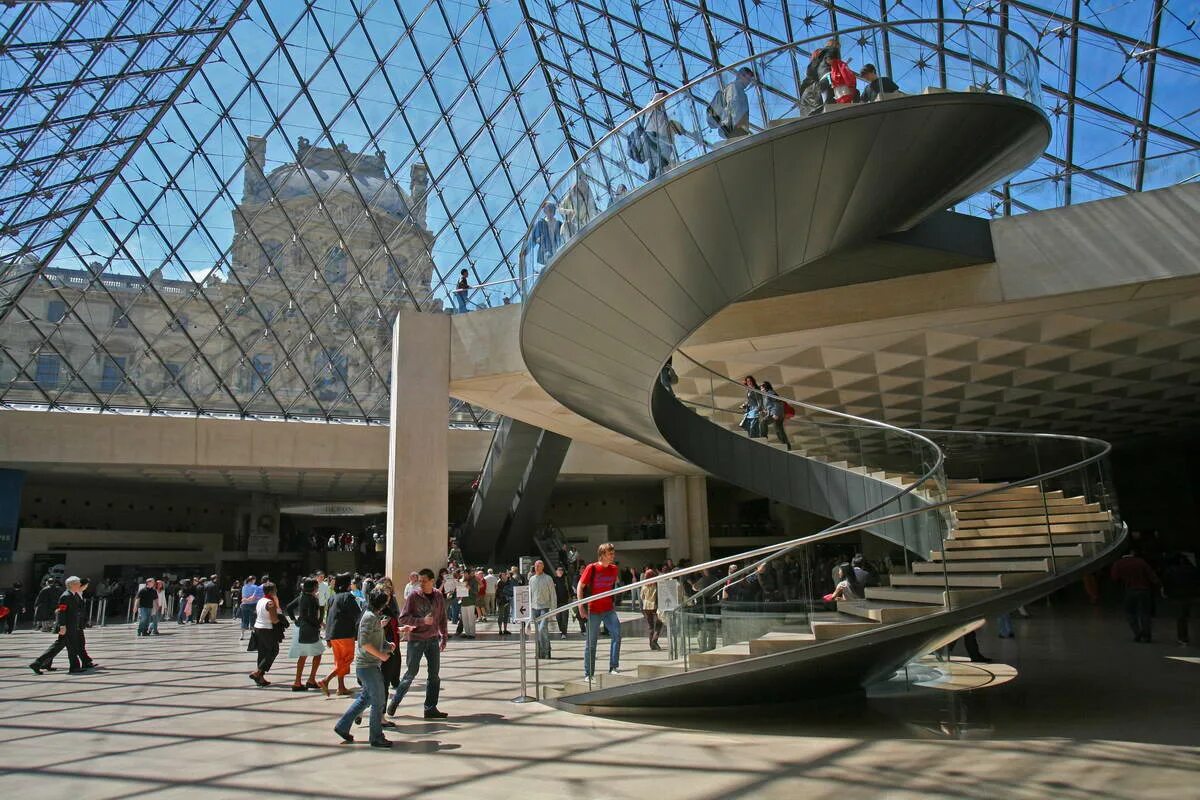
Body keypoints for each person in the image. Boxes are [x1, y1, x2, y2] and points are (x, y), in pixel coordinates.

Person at [334, 589, 402, 748]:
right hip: (368, 666)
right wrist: (381, 655)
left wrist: (387, 646)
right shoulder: (369, 617)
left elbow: (375, 639)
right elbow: (364, 643)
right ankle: (376, 736)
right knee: (378, 701)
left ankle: (343, 726)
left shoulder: (374, 617)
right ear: (383, 603)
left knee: (366, 698)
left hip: (370, 665)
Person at [387, 568, 449, 719]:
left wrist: (444, 636)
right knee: (410, 674)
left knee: (434, 676)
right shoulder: (414, 596)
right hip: (416, 641)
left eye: (424, 581)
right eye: (419, 581)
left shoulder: (439, 596)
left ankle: (430, 708)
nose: (420, 584)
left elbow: (442, 617)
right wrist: (421, 621)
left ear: (432, 581)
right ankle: (394, 702)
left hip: (433, 640)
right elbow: (403, 618)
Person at [578, 542, 622, 679]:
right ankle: (588, 674)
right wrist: (580, 606)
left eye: (613, 553)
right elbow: (580, 586)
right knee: (591, 643)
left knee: (617, 635)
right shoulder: (592, 568)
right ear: (602, 555)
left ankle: (613, 666)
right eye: (610, 554)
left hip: (608, 609)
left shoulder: (614, 569)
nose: (612, 556)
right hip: (594, 610)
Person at [30, 576, 84, 675]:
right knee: (69, 646)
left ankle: (39, 663)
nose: (80, 585)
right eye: (78, 583)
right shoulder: (65, 596)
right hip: (67, 626)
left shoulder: (73, 595)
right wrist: (62, 626)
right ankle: (74, 667)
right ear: (71, 585)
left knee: (61, 646)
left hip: (71, 625)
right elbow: (61, 612)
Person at [318, 572, 361, 697]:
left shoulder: (333, 597)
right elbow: (358, 615)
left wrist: (328, 636)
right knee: (348, 659)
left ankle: (341, 687)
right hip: (346, 633)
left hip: (333, 634)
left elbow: (330, 617)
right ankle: (326, 680)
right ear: (347, 584)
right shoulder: (348, 597)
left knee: (339, 660)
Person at [1111, 546, 1163, 642]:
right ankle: (1147, 635)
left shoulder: (1118, 563)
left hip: (1130, 590)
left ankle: (1137, 632)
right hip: (1144, 590)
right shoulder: (1140, 561)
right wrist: (1160, 585)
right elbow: (1151, 575)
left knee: (1130, 613)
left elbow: (1114, 577)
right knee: (1145, 613)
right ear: (1132, 552)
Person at [286, 578, 324, 691]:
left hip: (301, 629)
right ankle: (311, 679)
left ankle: (298, 681)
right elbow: (312, 616)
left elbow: (289, 607)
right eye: (317, 586)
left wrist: (295, 620)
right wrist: (319, 622)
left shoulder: (301, 597)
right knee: (318, 654)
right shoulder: (312, 599)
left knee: (303, 655)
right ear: (313, 588)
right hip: (310, 630)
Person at [640, 90, 686, 179]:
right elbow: (657, 97)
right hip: (656, 142)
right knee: (659, 163)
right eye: (665, 99)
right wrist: (663, 95)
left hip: (656, 143)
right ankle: (655, 179)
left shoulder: (659, 112)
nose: (666, 102)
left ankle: (653, 180)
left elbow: (665, 126)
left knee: (656, 165)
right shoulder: (652, 106)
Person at [706, 66, 757, 138]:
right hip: (733, 128)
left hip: (736, 129)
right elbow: (733, 105)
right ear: (740, 75)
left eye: (750, 80)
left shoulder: (741, 92)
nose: (748, 82)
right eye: (747, 78)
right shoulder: (733, 87)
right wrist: (735, 127)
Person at [248, 581, 282, 686]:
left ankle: (260, 678)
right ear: (273, 591)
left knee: (262, 653)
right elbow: (274, 619)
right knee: (273, 650)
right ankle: (258, 672)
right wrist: (282, 621)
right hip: (267, 629)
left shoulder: (260, 600)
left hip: (258, 628)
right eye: (275, 590)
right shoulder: (270, 603)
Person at [1162, 552, 1199, 645]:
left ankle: (1183, 638)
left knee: (1181, 618)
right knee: (1195, 617)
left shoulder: (1170, 570)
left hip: (1178, 597)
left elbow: (1167, 583)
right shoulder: (1193, 570)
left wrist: (1166, 593)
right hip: (1193, 595)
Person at [528, 560, 556, 659]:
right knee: (538, 631)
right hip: (534, 608)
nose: (537, 568)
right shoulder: (531, 579)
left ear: (543, 567)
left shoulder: (548, 578)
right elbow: (530, 594)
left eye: (539, 566)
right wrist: (529, 610)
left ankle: (546, 651)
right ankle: (540, 652)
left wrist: (553, 609)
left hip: (545, 607)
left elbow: (553, 594)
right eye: (535, 566)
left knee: (542, 629)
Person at [559, 168, 598, 238]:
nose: (583, 184)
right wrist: (568, 211)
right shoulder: (570, 196)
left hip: (586, 222)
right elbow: (560, 209)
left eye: (584, 182)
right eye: (580, 182)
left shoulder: (587, 193)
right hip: (576, 224)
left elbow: (592, 209)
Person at [529, 201, 563, 267]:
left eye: (551, 210)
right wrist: (526, 251)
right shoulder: (540, 223)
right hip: (546, 253)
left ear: (554, 212)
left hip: (558, 251)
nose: (550, 213)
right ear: (545, 212)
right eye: (548, 210)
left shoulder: (559, 224)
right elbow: (533, 239)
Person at [760, 381, 790, 450]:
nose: (761, 390)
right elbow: (770, 405)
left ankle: (763, 438)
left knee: (764, 422)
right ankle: (787, 446)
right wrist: (765, 411)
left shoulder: (771, 393)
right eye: (761, 388)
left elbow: (778, 403)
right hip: (773, 413)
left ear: (766, 387)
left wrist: (776, 414)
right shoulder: (766, 395)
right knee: (779, 430)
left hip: (776, 414)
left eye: (762, 388)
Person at [640, 567, 663, 650]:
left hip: (646, 606)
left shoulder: (643, 585)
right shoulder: (656, 584)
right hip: (654, 606)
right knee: (659, 623)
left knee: (650, 626)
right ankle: (654, 640)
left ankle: (651, 644)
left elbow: (641, 596)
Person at [239, 575, 263, 640]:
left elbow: (243, 597)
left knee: (244, 620)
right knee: (253, 620)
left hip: (244, 605)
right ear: (253, 580)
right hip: (253, 605)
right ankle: (253, 635)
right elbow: (255, 597)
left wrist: (245, 600)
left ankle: (242, 635)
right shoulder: (256, 587)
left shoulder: (244, 587)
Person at [552, 565, 571, 639]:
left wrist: (573, 596)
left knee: (565, 618)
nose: (560, 571)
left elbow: (569, 588)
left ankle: (564, 632)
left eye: (561, 570)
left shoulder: (566, 579)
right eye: (559, 570)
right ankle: (561, 630)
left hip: (565, 601)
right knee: (558, 618)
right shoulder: (553, 579)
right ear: (556, 571)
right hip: (556, 602)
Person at [495, 572, 512, 636]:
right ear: (501, 577)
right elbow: (498, 593)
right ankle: (500, 630)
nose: (505, 576)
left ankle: (505, 629)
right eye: (504, 575)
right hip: (501, 601)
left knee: (506, 615)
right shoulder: (499, 583)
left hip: (507, 601)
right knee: (501, 616)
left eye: (505, 575)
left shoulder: (508, 582)